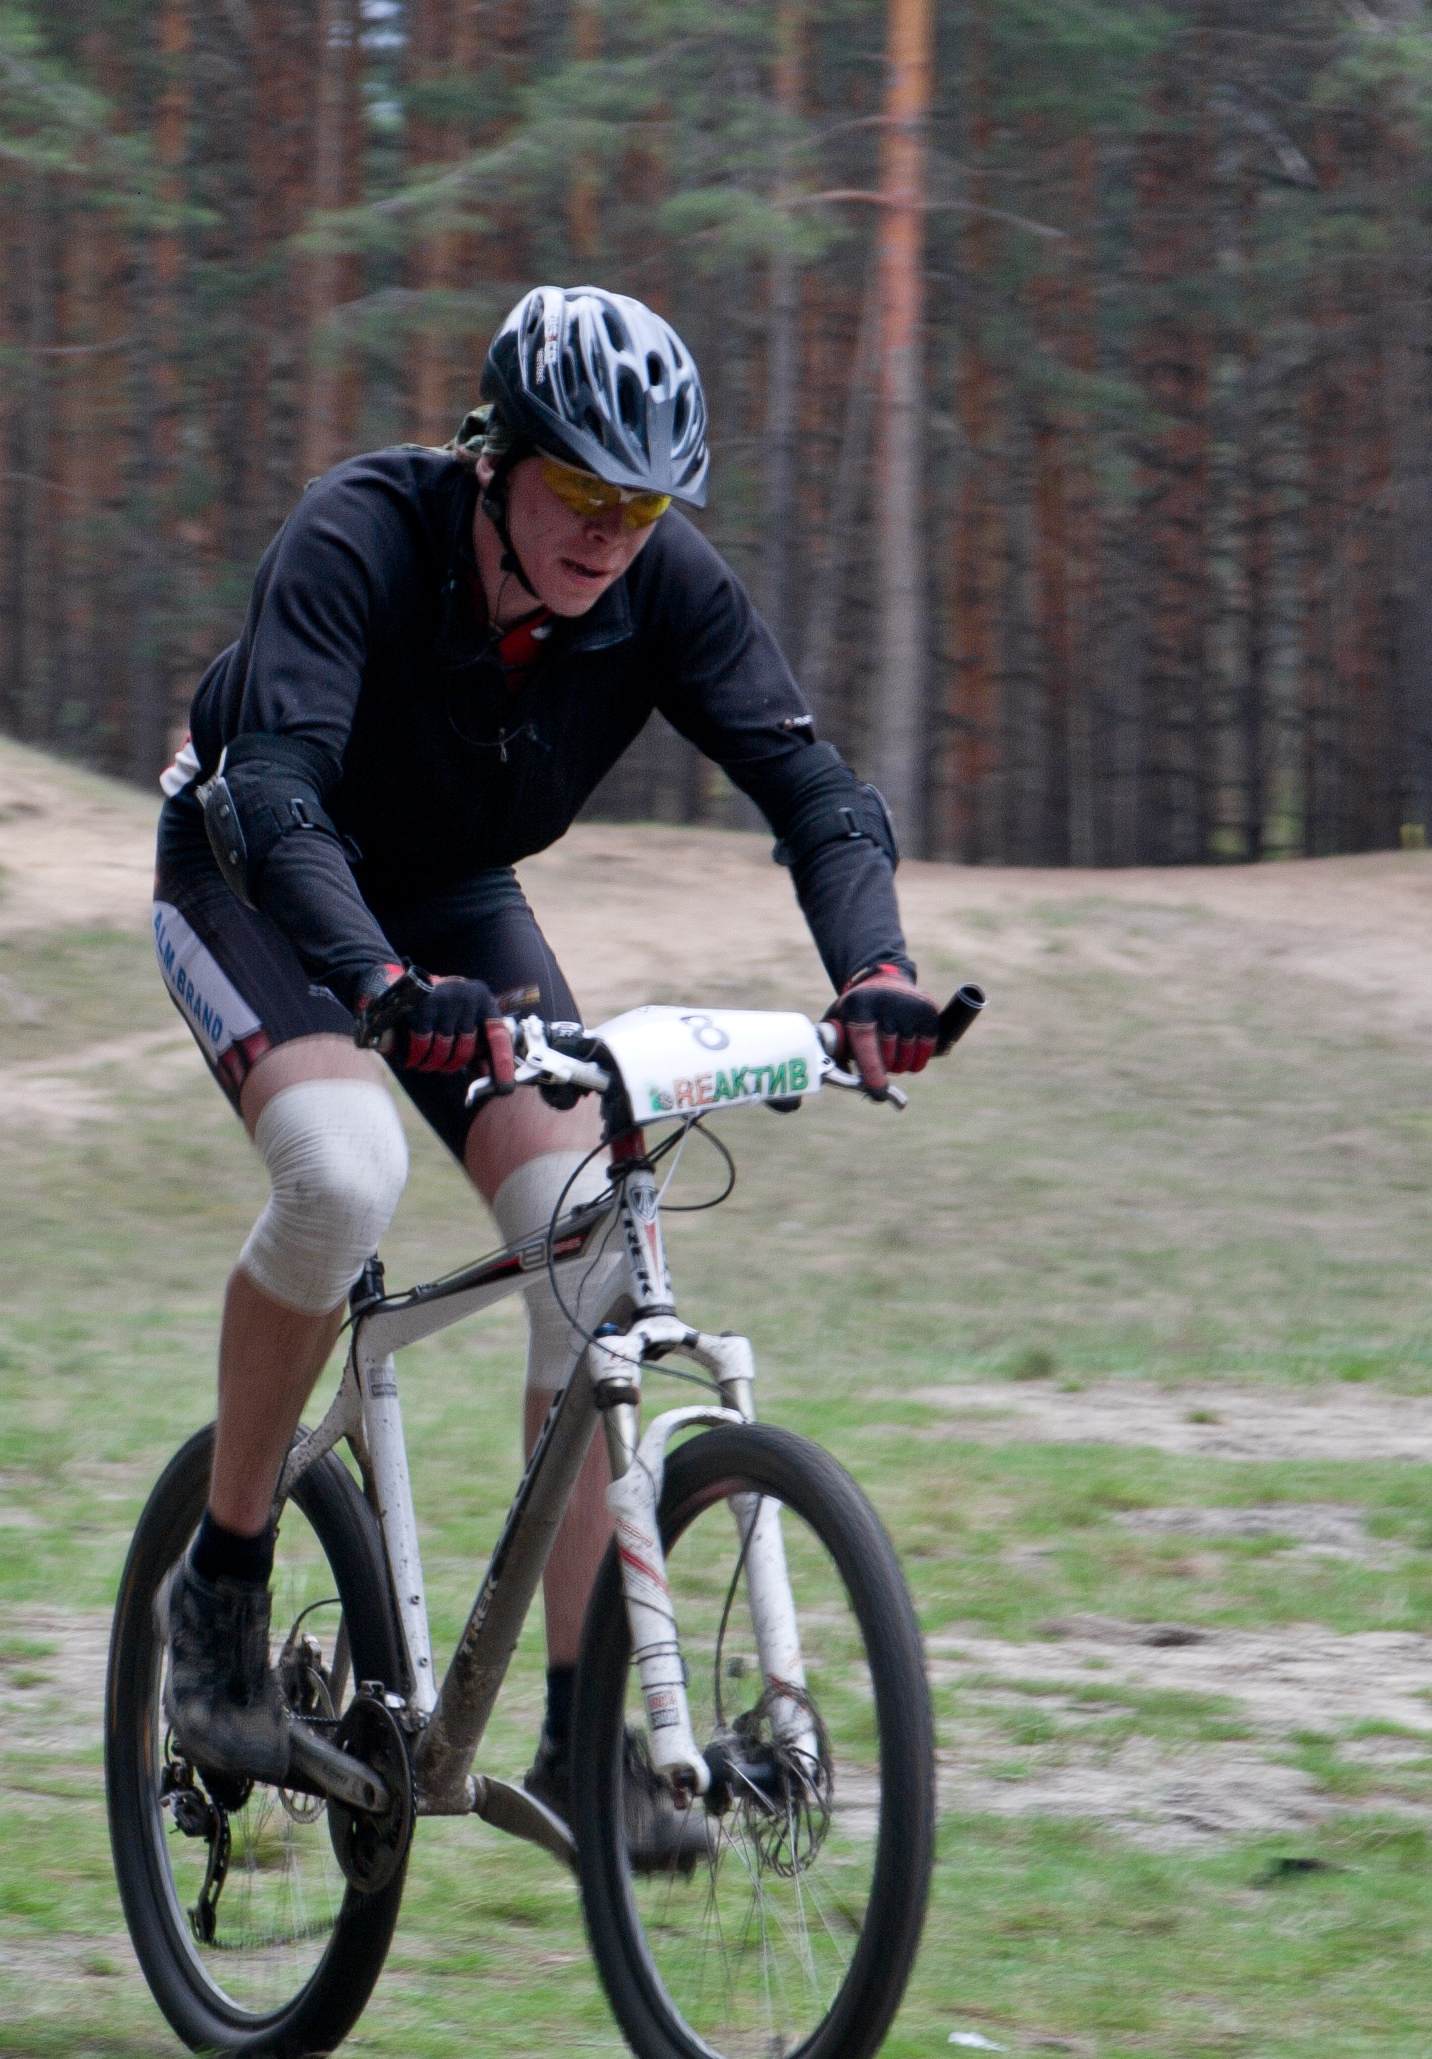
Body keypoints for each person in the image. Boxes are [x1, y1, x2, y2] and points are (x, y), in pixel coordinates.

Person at [143, 284, 942, 1861]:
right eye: (581, 490)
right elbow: (280, 793)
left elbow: (814, 791)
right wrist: (377, 988)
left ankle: (587, 1742)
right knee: (345, 1175)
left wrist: (874, 972)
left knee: (588, 1240)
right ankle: (219, 1591)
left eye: (643, 505)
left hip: (450, 899)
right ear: (494, 458)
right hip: (256, 871)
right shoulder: (360, 534)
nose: (610, 533)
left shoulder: (666, 585)